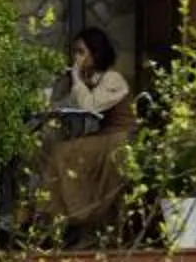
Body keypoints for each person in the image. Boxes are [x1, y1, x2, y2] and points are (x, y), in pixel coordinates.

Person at [43, 25, 136, 238]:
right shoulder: (89, 80)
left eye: (81, 52)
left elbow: (90, 106)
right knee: (58, 150)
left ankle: (73, 217)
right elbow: (68, 104)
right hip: (103, 138)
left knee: (63, 153)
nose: (77, 58)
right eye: (75, 52)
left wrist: (76, 79)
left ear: (96, 52)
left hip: (120, 138)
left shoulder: (112, 78)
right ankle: (57, 218)